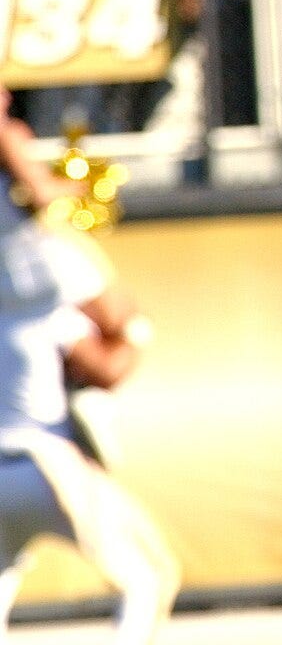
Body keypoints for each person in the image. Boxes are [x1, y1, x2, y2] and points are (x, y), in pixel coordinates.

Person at [0, 92, 179, 642]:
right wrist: (138, 334)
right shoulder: (48, 263)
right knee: (151, 578)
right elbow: (106, 365)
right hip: (43, 458)